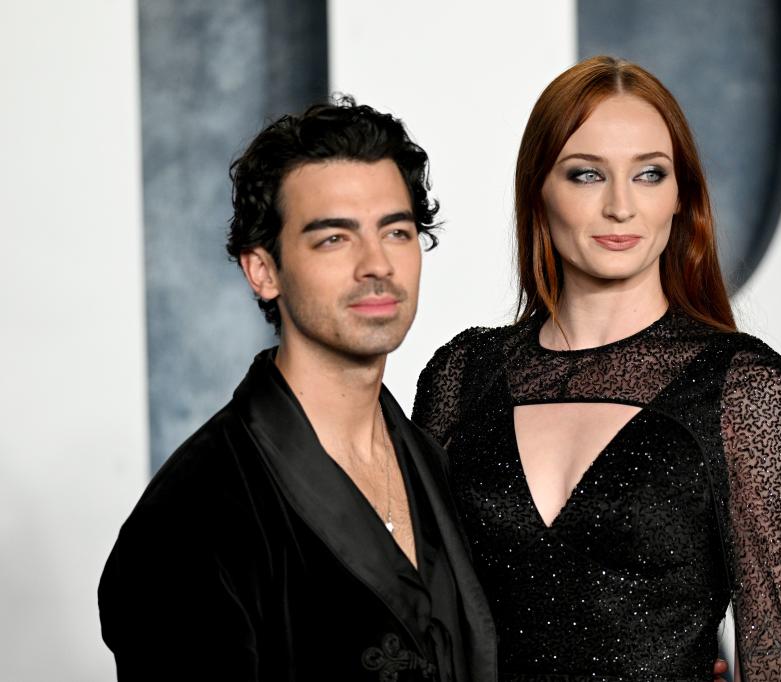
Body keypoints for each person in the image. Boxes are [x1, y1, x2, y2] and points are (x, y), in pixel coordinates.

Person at [413, 56, 781, 681]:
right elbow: (416, 621)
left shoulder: (743, 388)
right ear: (539, 191)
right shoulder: (462, 373)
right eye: (586, 175)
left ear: (680, 197)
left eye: (649, 175)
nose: (620, 207)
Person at [98, 98, 497, 681]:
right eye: (334, 238)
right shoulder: (189, 520)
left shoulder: (433, 461)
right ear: (263, 271)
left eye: (397, 231)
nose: (376, 264)